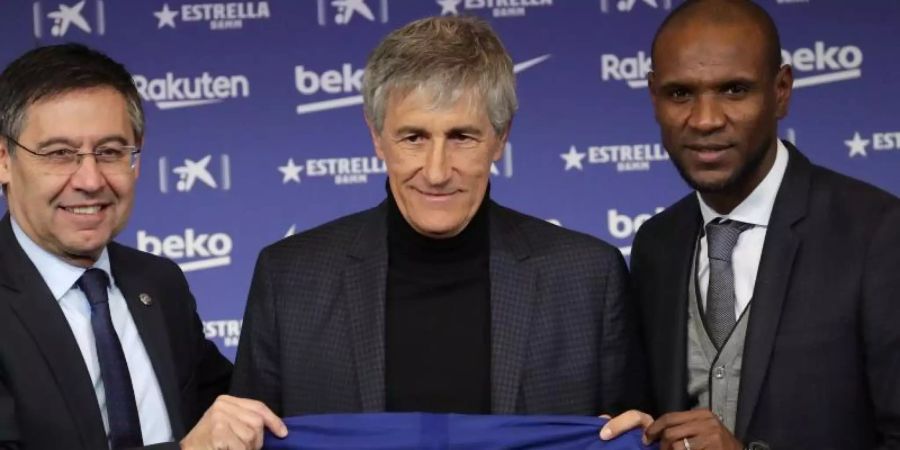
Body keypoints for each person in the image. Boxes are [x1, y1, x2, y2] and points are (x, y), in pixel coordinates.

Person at [231, 16, 641, 418]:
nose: (437, 172)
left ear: (501, 138)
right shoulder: (288, 279)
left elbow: (632, 430)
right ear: (377, 137)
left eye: (461, 137)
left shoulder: (589, 279)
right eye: (414, 137)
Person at [600, 1, 900, 449]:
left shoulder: (877, 234)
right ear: (653, 96)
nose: (705, 119)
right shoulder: (656, 244)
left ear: (781, 91)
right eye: (680, 93)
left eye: (734, 90)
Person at [0, 44, 286, 450]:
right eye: (60, 153)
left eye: (111, 152)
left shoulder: (158, 282)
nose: (90, 180)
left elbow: (235, 407)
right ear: (4, 160)